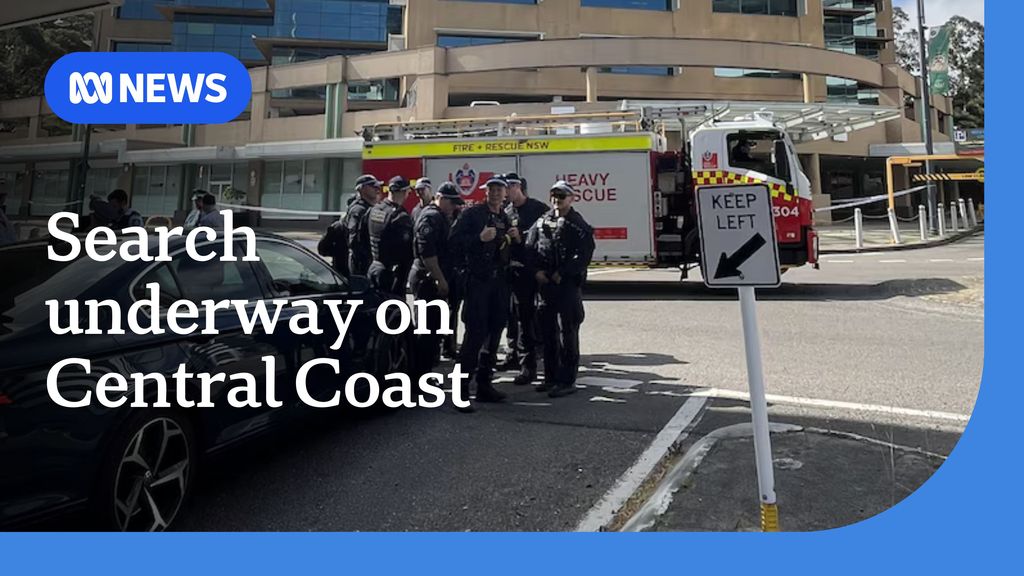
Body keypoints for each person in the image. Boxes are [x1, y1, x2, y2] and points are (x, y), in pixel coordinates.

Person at [449, 176, 521, 407]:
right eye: (492, 189)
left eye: (500, 189)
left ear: (506, 193)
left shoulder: (504, 217)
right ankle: (460, 390)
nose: (496, 193)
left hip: (499, 283)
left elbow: (506, 248)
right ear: (485, 192)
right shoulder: (472, 214)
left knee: (494, 334)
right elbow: (453, 242)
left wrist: (516, 240)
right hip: (478, 282)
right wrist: (478, 238)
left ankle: (484, 385)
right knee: (474, 336)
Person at [526, 180, 595, 398]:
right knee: (548, 333)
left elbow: (584, 254)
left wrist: (563, 272)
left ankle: (567, 380)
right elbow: (530, 247)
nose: (557, 200)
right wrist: (536, 271)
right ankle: (551, 377)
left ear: (571, 198)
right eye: (554, 196)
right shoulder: (542, 221)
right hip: (546, 285)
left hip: (566, 286)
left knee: (568, 332)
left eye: (562, 196)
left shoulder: (577, 224)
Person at [408, 181, 463, 375]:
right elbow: (428, 254)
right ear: (439, 198)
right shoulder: (431, 217)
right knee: (426, 330)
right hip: (428, 280)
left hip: (435, 279)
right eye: (451, 202)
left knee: (434, 330)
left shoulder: (441, 216)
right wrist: (440, 279)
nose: (454, 207)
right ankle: (419, 376)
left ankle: (426, 371)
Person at [501, 172, 548, 386]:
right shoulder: (506, 211)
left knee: (527, 319)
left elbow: (546, 237)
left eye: (509, 187)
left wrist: (522, 236)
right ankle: (513, 354)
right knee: (512, 316)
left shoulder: (538, 209)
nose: (506, 192)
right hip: (512, 271)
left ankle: (529, 366)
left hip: (531, 270)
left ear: (517, 186)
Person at [367, 176, 414, 297]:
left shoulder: (375, 209)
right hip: (391, 274)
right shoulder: (400, 216)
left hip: (374, 267)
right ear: (403, 192)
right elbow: (407, 249)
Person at [345, 174, 381, 277]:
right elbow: (354, 241)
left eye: (378, 186)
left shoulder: (370, 208)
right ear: (362, 189)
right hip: (361, 264)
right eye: (373, 186)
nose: (377, 189)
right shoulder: (358, 210)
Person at [317, 196, 354, 277]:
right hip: (341, 273)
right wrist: (340, 254)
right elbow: (322, 248)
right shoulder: (338, 227)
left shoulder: (338, 226)